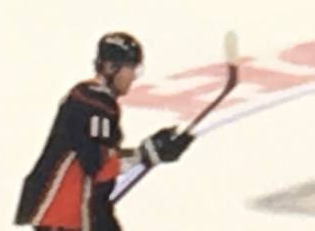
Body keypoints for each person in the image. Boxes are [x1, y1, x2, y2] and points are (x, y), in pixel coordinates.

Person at [14, 32, 191, 230]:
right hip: (66, 215)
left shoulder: (89, 98)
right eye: (130, 68)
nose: (133, 76)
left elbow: (98, 158)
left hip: (83, 212)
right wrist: (146, 154)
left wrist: (148, 152)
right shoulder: (95, 103)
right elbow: (100, 166)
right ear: (109, 67)